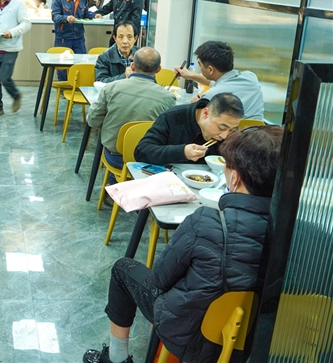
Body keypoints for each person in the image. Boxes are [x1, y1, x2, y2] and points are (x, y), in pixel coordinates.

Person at [83, 125, 283, 363]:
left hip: (192, 337)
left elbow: (160, 279)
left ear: (235, 177)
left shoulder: (206, 221)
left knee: (122, 269)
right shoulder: (297, 231)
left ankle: (116, 358)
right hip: (259, 342)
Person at [87, 47, 176, 182]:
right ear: (159, 69)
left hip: (116, 156)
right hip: (148, 159)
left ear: (132, 66)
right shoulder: (168, 98)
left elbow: (92, 120)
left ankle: (114, 185)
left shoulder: (110, 88)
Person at [135, 92, 244, 165]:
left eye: (231, 130)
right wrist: (182, 152)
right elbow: (142, 151)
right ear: (206, 113)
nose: (224, 135)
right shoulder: (173, 117)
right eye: (221, 127)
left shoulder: (229, 127)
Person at [174, 40, 265, 120]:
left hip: (230, 134)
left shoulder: (211, 96)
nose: (200, 68)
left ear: (210, 69)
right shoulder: (251, 77)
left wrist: (196, 105)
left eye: (200, 65)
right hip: (257, 132)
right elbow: (220, 83)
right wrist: (190, 75)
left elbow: (200, 121)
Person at [51, 0, 95, 80]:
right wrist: (66, 18)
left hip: (79, 38)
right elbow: (55, 16)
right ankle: (63, 87)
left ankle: (78, 86)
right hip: (63, 38)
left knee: (81, 64)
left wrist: (95, 15)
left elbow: (85, 14)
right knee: (63, 67)